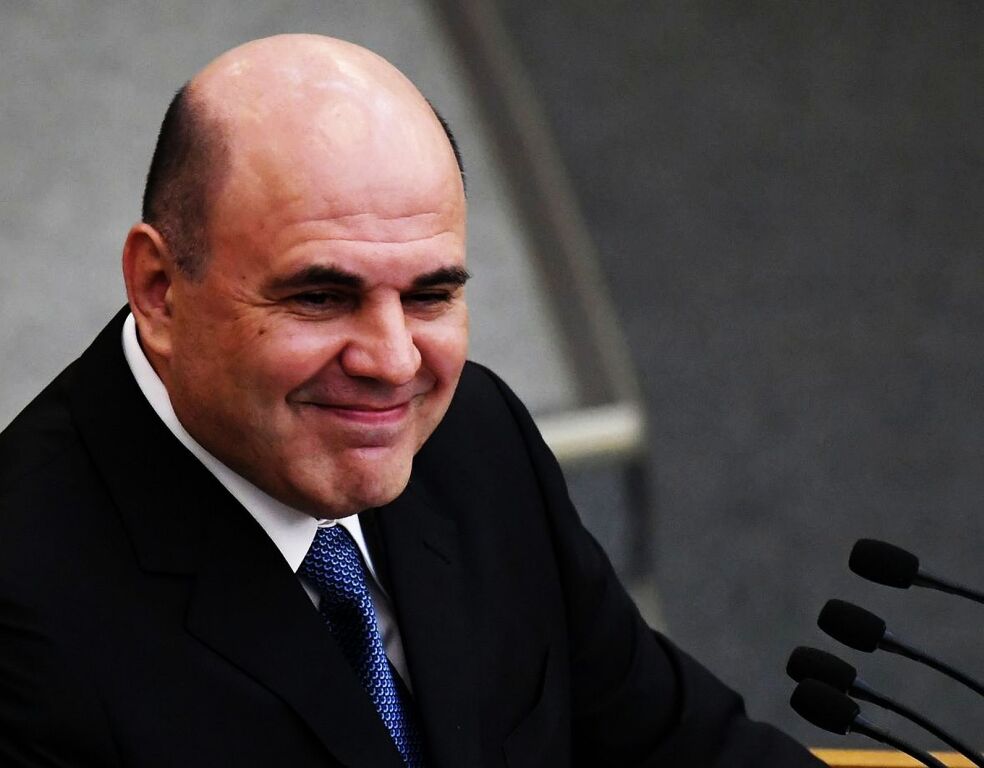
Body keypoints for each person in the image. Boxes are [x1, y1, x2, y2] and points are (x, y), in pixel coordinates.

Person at [0, 34, 822, 767]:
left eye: (430, 295)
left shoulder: (476, 437)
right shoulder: (25, 615)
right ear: (159, 290)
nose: (394, 364)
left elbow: (674, 741)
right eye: (321, 297)